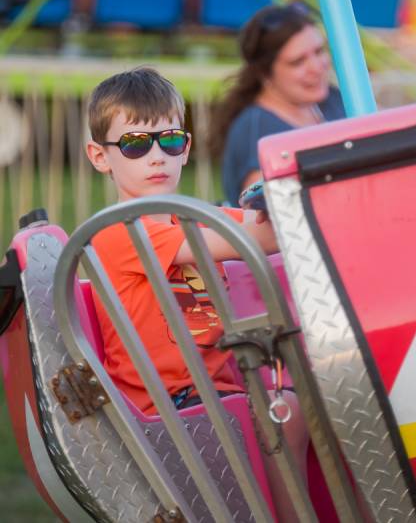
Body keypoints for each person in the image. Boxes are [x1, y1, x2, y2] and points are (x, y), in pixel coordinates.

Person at [84, 67, 279, 416]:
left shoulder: (190, 216)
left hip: (217, 392)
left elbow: (251, 223)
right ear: (100, 157)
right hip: (166, 408)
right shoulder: (118, 231)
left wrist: (278, 205)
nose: (157, 155)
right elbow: (252, 237)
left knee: (304, 403)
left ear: (185, 147)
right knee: (285, 415)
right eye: (136, 144)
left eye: (169, 139)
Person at [210, 2, 345, 206]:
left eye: (318, 51)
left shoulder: (333, 100)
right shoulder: (254, 130)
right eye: (298, 62)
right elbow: (267, 210)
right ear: (266, 74)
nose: (317, 67)